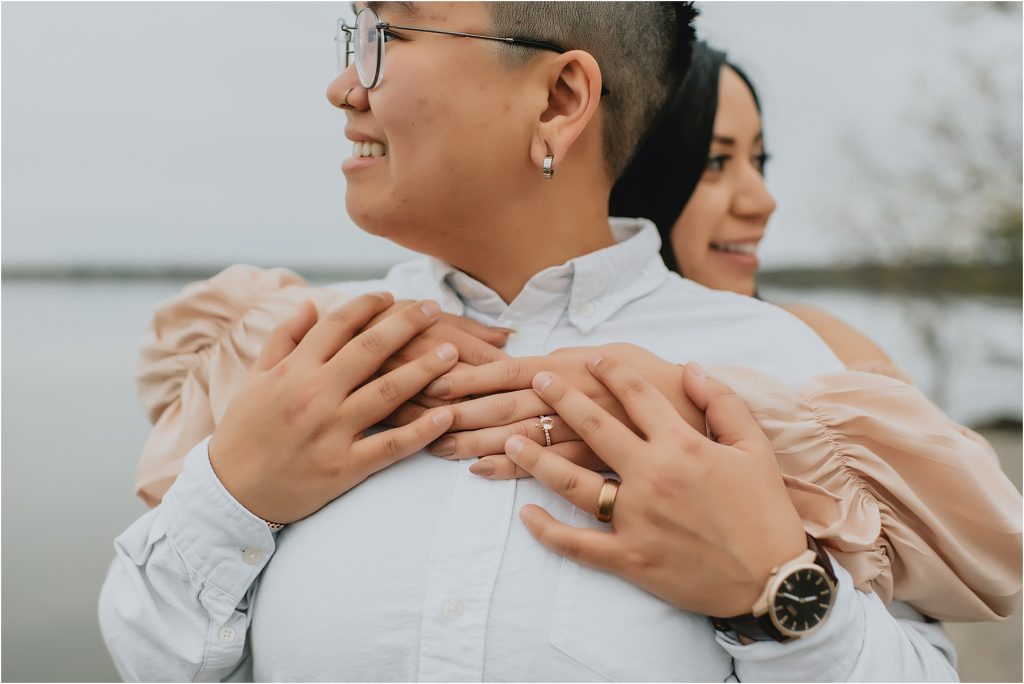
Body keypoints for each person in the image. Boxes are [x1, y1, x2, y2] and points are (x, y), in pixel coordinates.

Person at [99, 3, 1008, 680]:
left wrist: (774, 594)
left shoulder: (787, 381)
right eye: (352, 36)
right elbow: (152, 659)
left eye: (390, 35)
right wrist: (234, 494)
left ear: (561, 97)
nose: (344, 85)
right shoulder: (289, 360)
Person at [611, 41, 901, 373]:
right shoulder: (571, 366)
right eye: (715, 161)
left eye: (758, 159)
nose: (763, 202)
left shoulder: (828, 353)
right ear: (632, 174)